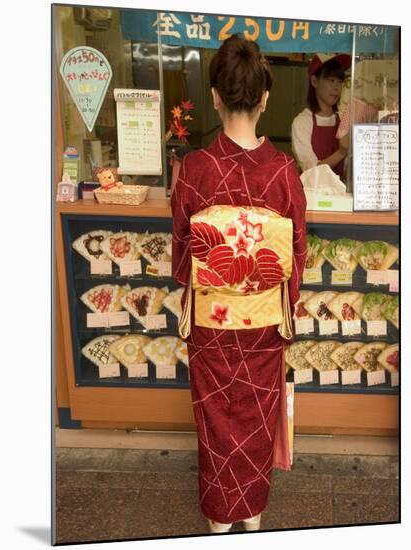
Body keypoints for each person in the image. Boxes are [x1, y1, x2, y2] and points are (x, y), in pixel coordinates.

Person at [171, 34, 307, 534]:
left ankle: (218, 516)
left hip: (211, 321)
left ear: (214, 95)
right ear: (265, 98)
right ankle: (250, 511)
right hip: (265, 320)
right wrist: (277, 295)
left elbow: (184, 256)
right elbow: (296, 254)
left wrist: (215, 278)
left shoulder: (194, 171)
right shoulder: (283, 172)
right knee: (254, 413)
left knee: (215, 419)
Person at [291, 53, 351, 177]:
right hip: (313, 194)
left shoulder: (343, 120)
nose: (336, 87)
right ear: (314, 81)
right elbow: (310, 171)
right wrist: (341, 152)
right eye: (331, 80)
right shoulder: (302, 122)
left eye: (340, 82)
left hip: (342, 193)